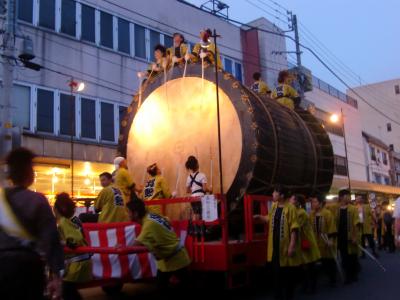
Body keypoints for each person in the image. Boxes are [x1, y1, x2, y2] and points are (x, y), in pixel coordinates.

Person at [0, 148, 64, 300]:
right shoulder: (38, 200)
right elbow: (51, 240)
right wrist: (56, 276)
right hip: (28, 269)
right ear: (29, 173)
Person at [127, 198, 191, 295]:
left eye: (129, 212)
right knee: (162, 288)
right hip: (168, 259)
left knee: (172, 288)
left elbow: (134, 245)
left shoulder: (148, 225)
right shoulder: (151, 215)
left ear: (135, 213)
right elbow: (167, 220)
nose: (128, 215)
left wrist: (120, 247)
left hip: (176, 259)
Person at [256, 185, 300, 300]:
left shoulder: (291, 208)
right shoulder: (274, 206)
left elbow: (294, 228)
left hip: (285, 247)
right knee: (276, 273)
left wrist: (291, 246)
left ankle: (289, 295)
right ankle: (278, 295)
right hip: (275, 246)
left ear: (282, 195)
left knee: (287, 272)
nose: (272, 194)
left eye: (275, 192)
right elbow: (269, 218)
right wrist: (260, 217)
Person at [54, 193, 92, 300]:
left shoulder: (63, 222)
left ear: (57, 209)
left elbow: (75, 240)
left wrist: (62, 243)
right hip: (80, 262)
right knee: (69, 291)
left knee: (67, 291)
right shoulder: (72, 221)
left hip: (77, 263)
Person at [290, 194, 320, 294]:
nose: (290, 200)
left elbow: (296, 226)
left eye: (292, 199)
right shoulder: (296, 211)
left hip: (306, 242)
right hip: (302, 242)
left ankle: (312, 287)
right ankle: (307, 286)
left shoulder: (301, 212)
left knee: (309, 265)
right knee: (305, 266)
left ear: (297, 202)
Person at [310, 194, 337, 287]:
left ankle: (333, 279)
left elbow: (332, 228)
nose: (312, 204)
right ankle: (313, 284)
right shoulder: (311, 214)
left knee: (328, 262)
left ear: (321, 203)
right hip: (316, 244)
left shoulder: (327, 213)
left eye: (315, 202)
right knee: (314, 264)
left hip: (326, 243)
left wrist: (331, 240)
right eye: (312, 202)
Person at [336, 189, 360, 284]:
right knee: (344, 257)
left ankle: (354, 274)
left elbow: (356, 223)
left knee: (352, 256)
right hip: (341, 237)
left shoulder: (353, 208)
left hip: (351, 236)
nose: (349, 198)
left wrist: (354, 236)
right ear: (341, 197)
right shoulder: (336, 208)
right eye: (347, 196)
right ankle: (347, 276)